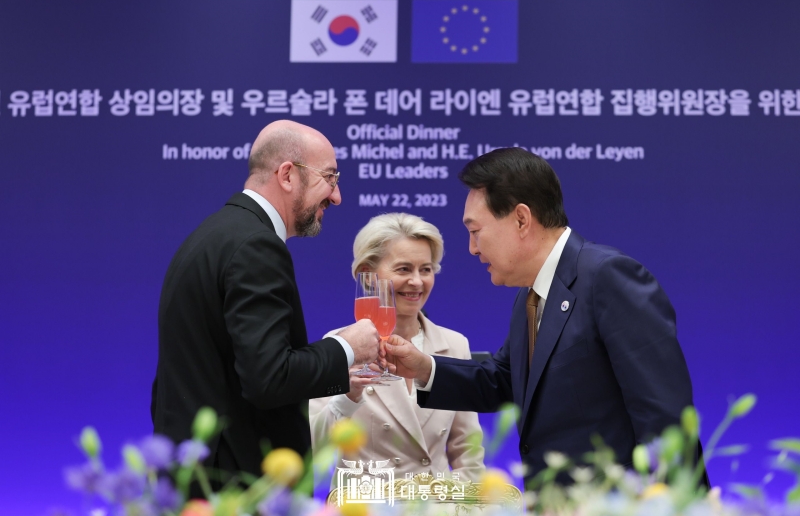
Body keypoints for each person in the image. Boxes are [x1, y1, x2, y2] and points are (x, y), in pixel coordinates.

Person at [384, 147, 699, 482]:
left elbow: (665, 420)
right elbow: (505, 380)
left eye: (475, 231)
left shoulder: (608, 278)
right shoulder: (531, 295)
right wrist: (424, 368)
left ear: (521, 219)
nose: (472, 248)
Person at [151, 120, 380, 482]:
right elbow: (269, 378)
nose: (336, 196)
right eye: (331, 178)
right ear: (288, 175)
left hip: (194, 479)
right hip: (236, 486)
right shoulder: (257, 246)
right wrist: (346, 348)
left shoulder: (213, 234)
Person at [310, 213, 485, 485]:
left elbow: (468, 450)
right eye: (404, 269)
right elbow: (313, 445)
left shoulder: (455, 344)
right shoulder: (337, 345)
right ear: (368, 277)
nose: (417, 282)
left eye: (425, 269)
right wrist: (346, 398)